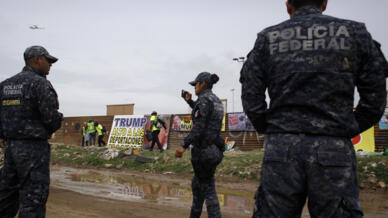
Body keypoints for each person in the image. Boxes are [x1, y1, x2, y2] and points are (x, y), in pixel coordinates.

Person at [240, 0, 387, 217]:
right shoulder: (355, 33)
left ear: (288, 5)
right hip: (334, 149)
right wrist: (346, 128)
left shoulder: (267, 38)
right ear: (324, 3)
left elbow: (251, 96)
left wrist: (273, 128)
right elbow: (375, 98)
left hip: (282, 150)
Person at [0, 45, 63, 217]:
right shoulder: (39, 84)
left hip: (11, 148)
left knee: (6, 195)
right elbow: (51, 119)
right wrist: (59, 118)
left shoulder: (5, 85)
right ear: (37, 59)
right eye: (48, 60)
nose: (50, 64)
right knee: (33, 197)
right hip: (34, 149)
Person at [175, 72, 225, 218]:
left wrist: (183, 145)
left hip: (203, 152)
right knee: (198, 186)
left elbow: (199, 126)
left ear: (202, 83)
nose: (194, 88)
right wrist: (190, 102)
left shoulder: (203, 100)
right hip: (215, 150)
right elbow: (206, 116)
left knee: (209, 190)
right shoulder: (216, 101)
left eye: (195, 84)